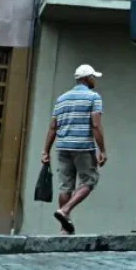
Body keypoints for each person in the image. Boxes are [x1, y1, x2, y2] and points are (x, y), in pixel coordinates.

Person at [42, 64, 107, 235]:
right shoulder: (94, 98)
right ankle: (65, 210)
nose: (94, 80)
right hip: (82, 147)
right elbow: (96, 125)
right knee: (89, 180)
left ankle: (64, 228)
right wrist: (102, 150)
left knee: (66, 187)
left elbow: (53, 127)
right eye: (93, 77)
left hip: (62, 147)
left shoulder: (61, 99)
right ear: (86, 79)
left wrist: (45, 151)